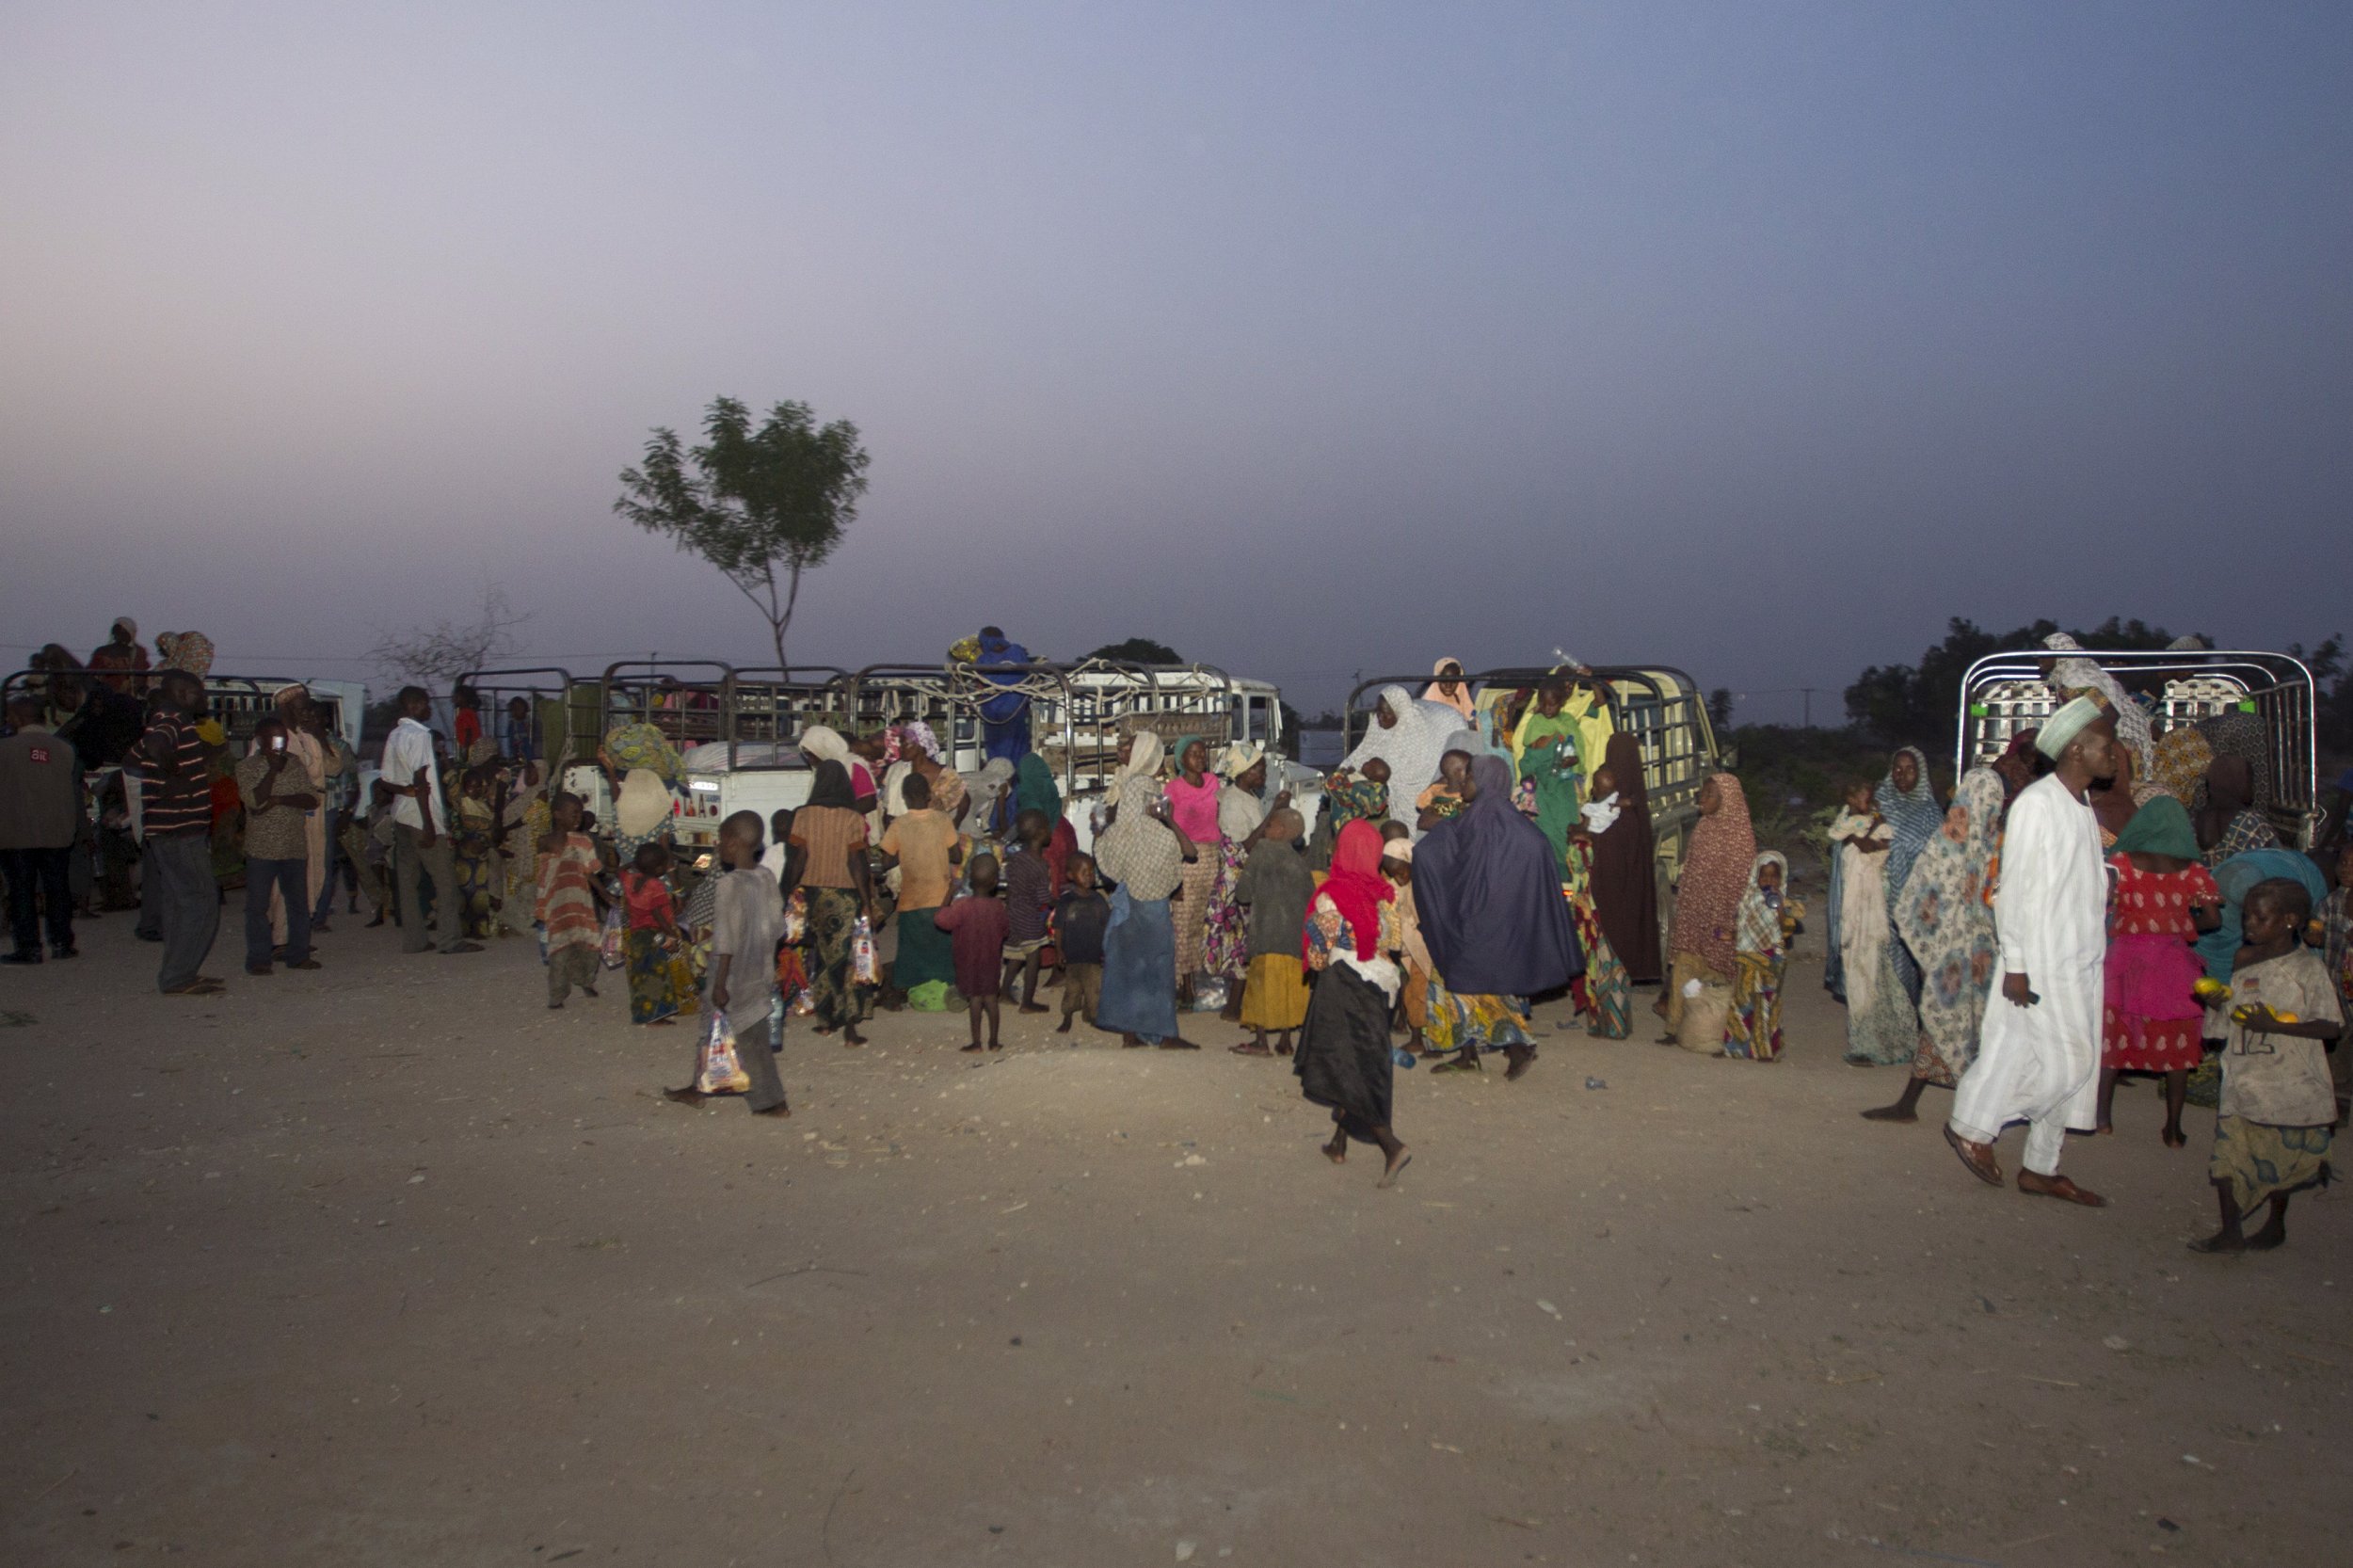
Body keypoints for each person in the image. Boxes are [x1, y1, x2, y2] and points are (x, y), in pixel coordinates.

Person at [1945, 697, 2115, 1207]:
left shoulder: (2080, 804)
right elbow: (2012, 889)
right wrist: (2016, 963)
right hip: (2044, 960)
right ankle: (1977, 1125)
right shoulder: (2037, 804)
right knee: (2074, 1064)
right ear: (2078, 749)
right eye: (2108, 746)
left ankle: (2041, 1166)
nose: (2116, 755)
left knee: (2026, 1056)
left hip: (2079, 955)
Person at [2191, 879, 2343, 1253]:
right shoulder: (2244, 959)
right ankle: (2230, 1232)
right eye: (2247, 917)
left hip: (2287, 1079)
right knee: (2227, 1155)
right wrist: (2218, 1007)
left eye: (2260, 918)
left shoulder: (2306, 969)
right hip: (2244, 1073)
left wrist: (2274, 1025)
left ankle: (2275, 1224)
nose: (2249, 926)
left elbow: (2332, 1025)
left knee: (2279, 1158)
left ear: (2291, 920)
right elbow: (2235, 1015)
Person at [1416, 754, 1583, 1079]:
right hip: (1496, 921)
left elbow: (1431, 852)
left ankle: (1518, 1045)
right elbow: (1534, 854)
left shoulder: (1479, 819)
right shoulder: (1514, 822)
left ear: (1485, 781)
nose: (1463, 784)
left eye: (1468, 777)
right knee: (1456, 980)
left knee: (1470, 983)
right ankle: (1468, 1053)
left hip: (1475, 922)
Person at [1865, 768, 2005, 1123]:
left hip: (1963, 950)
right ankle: (1919, 1104)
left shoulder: (1956, 839)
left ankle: (1964, 1109)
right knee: (1961, 1021)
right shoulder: (1993, 838)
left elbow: (1923, 893)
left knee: (1954, 1020)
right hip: (1977, 950)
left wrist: (1929, 946)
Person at [2092, 795, 2220, 1146]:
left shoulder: (2121, 862)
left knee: (2111, 1041)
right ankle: (2173, 1129)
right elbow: (2213, 919)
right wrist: (2177, 921)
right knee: (2179, 1046)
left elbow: (2100, 903)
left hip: (2124, 963)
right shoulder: (2194, 871)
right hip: (2173, 964)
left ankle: (2102, 1118)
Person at [1294, 819, 1411, 1187]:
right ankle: (1339, 1143)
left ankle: (1391, 1145)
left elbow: (1317, 955)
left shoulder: (1332, 895)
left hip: (1343, 986)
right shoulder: (1384, 892)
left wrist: (1320, 946)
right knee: (1355, 1059)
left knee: (1347, 1065)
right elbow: (1392, 941)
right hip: (1381, 983)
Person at [663, 811, 792, 1117]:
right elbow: (778, 929)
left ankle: (771, 1102)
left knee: (746, 1038)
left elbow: (726, 940)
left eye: (720, 841)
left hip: (731, 974)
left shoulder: (728, 884)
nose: (717, 847)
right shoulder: (766, 877)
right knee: (726, 1030)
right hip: (759, 969)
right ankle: (699, 1086)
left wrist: (719, 982)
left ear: (733, 844)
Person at [1093, 733, 1194, 1049]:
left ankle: (1131, 1033)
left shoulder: (1127, 785)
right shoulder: (1146, 787)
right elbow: (1159, 831)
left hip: (1129, 882)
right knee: (1158, 960)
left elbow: (1120, 831)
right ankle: (1163, 1034)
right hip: (1149, 883)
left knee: (1128, 959)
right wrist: (1173, 849)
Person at [125, 669, 223, 994]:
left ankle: (178, 973)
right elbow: (154, 746)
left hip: (169, 827)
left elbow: (133, 756)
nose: (205, 699)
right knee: (201, 902)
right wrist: (172, 774)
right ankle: (178, 977)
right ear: (182, 694)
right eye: (199, 693)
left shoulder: (167, 719)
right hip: (180, 828)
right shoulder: (172, 718)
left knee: (181, 903)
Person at [1657, 772, 1755, 1041]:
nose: (1703, 798)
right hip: (1694, 915)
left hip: (1720, 920)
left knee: (1719, 977)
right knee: (1683, 971)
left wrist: (1723, 920)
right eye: (1703, 793)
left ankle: (1722, 1032)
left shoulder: (1739, 837)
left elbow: (1737, 887)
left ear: (1728, 800)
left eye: (1711, 794)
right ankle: (1674, 1026)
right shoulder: (1704, 827)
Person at [382, 686, 479, 957]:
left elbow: (386, 779)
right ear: (415, 705)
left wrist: (405, 792)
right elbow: (422, 780)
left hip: (401, 814)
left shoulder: (395, 734)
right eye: (426, 705)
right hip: (421, 817)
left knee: (407, 881)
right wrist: (428, 824)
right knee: (445, 881)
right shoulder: (421, 735)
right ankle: (450, 940)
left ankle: (415, 940)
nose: (429, 710)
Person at [791, 760, 877, 1045]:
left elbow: (799, 858)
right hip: (845, 896)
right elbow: (857, 863)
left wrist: (788, 890)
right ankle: (851, 1023)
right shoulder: (852, 818)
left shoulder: (803, 816)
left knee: (823, 958)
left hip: (815, 895)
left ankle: (826, 1020)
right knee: (847, 959)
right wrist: (866, 901)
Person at [234, 716, 321, 976]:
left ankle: (298, 954)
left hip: (294, 846)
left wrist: (279, 799)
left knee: (298, 904)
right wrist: (272, 771)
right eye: (272, 738)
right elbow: (254, 801)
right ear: (259, 739)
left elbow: (311, 799)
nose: (278, 744)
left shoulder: (294, 764)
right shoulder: (247, 767)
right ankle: (259, 958)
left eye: (281, 737)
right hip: (262, 848)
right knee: (257, 907)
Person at [0, 694, 81, 963]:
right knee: (57, 888)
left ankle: (29, 947)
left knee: (22, 891)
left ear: (17, 718)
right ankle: (62, 942)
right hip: (57, 830)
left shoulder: (5, 749)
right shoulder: (64, 748)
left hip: (16, 831)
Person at [1229, 807, 1314, 1057]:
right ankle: (1286, 1041)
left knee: (1261, 990)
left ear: (1282, 830)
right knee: (1288, 989)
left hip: (1266, 935)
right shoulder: (1301, 863)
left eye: (1270, 825)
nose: (1265, 829)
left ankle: (1261, 1041)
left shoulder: (1262, 851)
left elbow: (1242, 895)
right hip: (1294, 940)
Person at [877, 771, 963, 1010]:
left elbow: (886, 861)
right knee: (942, 947)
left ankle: (908, 987)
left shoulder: (898, 824)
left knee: (911, 949)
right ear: (928, 795)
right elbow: (956, 855)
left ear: (904, 797)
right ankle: (947, 986)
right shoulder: (942, 820)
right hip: (941, 898)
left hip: (911, 899)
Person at [1586, 731, 1660, 985]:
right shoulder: (1634, 803)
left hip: (1608, 885)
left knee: (1611, 931)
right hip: (1628, 882)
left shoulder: (1613, 808)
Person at [1562, 766, 1631, 1038]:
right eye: (1600, 787)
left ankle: (1614, 1024)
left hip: (1604, 906)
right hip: (1586, 909)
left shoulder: (1618, 819)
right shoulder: (1589, 817)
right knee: (1591, 965)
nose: (1604, 792)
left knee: (1609, 966)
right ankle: (1596, 1020)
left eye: (1609, 786)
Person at [1337, 685, 1461, 832]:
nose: (1380, 718)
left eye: (1385, 713)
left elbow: (1413, 776)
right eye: (1377, 712)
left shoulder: (1417, 733)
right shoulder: (1379, 727)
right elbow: (1363, 753)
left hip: (1418, 793)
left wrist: (1381, 775)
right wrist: (1346, 770)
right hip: (1386, 786)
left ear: (1399, 712)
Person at [1723, 854, 1801, 1061]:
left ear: (1781, 878)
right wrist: (1730, 935)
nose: (1769, 881)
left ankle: (1766, 1049)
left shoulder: (1782, 902)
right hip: (1748, 955)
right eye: (1764, 876)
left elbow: (1786, 930)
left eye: (1774, 876)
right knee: (1743, 999)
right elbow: (1744, 926)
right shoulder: (1748, 898)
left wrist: (1780, 907)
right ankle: (1736, 1048)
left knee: (1766, 1002)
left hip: (1770, 958)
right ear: (1755, 877)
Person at [1162, 737, 1221, 999]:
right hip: (1185, 859)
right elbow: (1167, 829)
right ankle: (1181, 984)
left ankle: (1198, 978)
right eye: (1193, 753)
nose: (1200, 757)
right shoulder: (1173, 789)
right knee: (1183, 923)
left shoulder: (1213, 783)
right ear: (1181, 760)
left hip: (1211, 857)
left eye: (1202, 753)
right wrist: (1173, 876)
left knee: (1202, 921)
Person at [1825, 776, 1891, 1006]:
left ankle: (1869, 991)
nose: (1871, 802)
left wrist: (1873, 832)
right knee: (1852, 929)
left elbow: (1884, 842)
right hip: (1854, 880)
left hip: (1870, 882)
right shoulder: (1852, 819)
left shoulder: (1866, 819)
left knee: (1869, 934)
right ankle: (1856, 990)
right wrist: (1870, 828)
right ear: (1851, 799)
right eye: (1866, 798)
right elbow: (1856, 841)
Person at [936, 854, 1012, 1051]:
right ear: (996, 881)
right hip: (991, 963)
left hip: (968, 964)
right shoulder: (998, 907)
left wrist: (948, 894)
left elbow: (940, 920)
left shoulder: (962, 906)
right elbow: (1006, 930)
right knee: (991, 1000)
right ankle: (994, 1042)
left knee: (975, 1000)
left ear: (969, 878)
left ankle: (976, 1042)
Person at [536, 793, 603, 1008]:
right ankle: (557, 995)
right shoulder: (543, 842)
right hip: (555, 905)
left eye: (580, 813)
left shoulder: (583, 842)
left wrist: (607, 896)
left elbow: (590, 872)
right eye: (574, 813)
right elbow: (542, 877)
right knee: (559, 951)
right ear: (557, 814)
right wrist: (540, 906)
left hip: (580, 902)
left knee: (589, 946)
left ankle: (585, 980)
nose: (579, 817)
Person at [622, 843, 696, 1025]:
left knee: (640, 974)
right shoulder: (656, 886)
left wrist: (633, 864)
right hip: (654, 934)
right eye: (664, 865)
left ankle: (641, 1012)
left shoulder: (629, 879)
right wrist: (671, 934)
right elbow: (657, 914)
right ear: (658, 869)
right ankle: (655, 1016)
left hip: (636, 934)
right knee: (657, 974)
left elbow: (620, 870)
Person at [1000, 809, 1056, 1011]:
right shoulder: (1040, 865)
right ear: (1040, 833)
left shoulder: (1016, 859)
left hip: (1013, 913)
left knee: (1016, 955)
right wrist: (1059, 903)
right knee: (1033, 958)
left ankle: (1004, 993)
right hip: (1029, 917)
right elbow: (1043, 898)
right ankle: (1027, 1002)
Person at [1053, 853, 1111, 1035]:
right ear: (1070, 875)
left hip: (1093, 956)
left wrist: (1107, 951)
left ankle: (1091, 1015)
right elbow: (1058, 928)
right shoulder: (1066, 901)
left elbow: (1106, 927)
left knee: (1094, 990)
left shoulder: (1099, 900)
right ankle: (1067, 1016)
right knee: (1072, 990)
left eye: (1092, 872)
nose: (1089, 876)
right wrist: (1059, 951)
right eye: (1083, 872)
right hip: (1072, 956)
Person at [2195, 755, 2278, 867]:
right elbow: (2278, 864)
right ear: (2239, 782)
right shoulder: (2252, 823)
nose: (2252, 788)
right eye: (2250, 781)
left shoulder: (2189, 821)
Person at [973, 627, 1034, 763]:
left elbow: (979, 686)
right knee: (1017, 750)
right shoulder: (1017, 651)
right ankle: (1016, 781)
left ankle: (999, 781)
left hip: (993, 714)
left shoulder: (983, 659)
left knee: (996, 753)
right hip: (1015, 711)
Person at [86, 616, 150, 695]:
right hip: (105, 695)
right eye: (117, 631)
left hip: (131, 697)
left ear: (130, 633)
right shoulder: (102, 651)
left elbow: (144, 673)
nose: (119, 635)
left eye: (123, 632)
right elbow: (90, 673)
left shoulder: (139, 652)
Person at [1415, 748, 1472, 831]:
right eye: (1470, 769)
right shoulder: (1436, 789)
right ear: (1457, 773)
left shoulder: (1471, 792)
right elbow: (1420, 807)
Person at [1422, 658, 1477, 724]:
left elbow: (1473, 723)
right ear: (1437, 680)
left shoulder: (1465, 703)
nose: (1448, 685)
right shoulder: (1425, 708)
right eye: (1444, 680)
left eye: (1453, 681)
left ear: (1459, 682)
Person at [501, 696, 537, 763]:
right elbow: (509, 743)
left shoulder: (531, 721)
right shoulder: (511, 724)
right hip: (516, 755)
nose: (517, 710)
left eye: (520, 708)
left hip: (530, 756)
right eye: (515, 708)